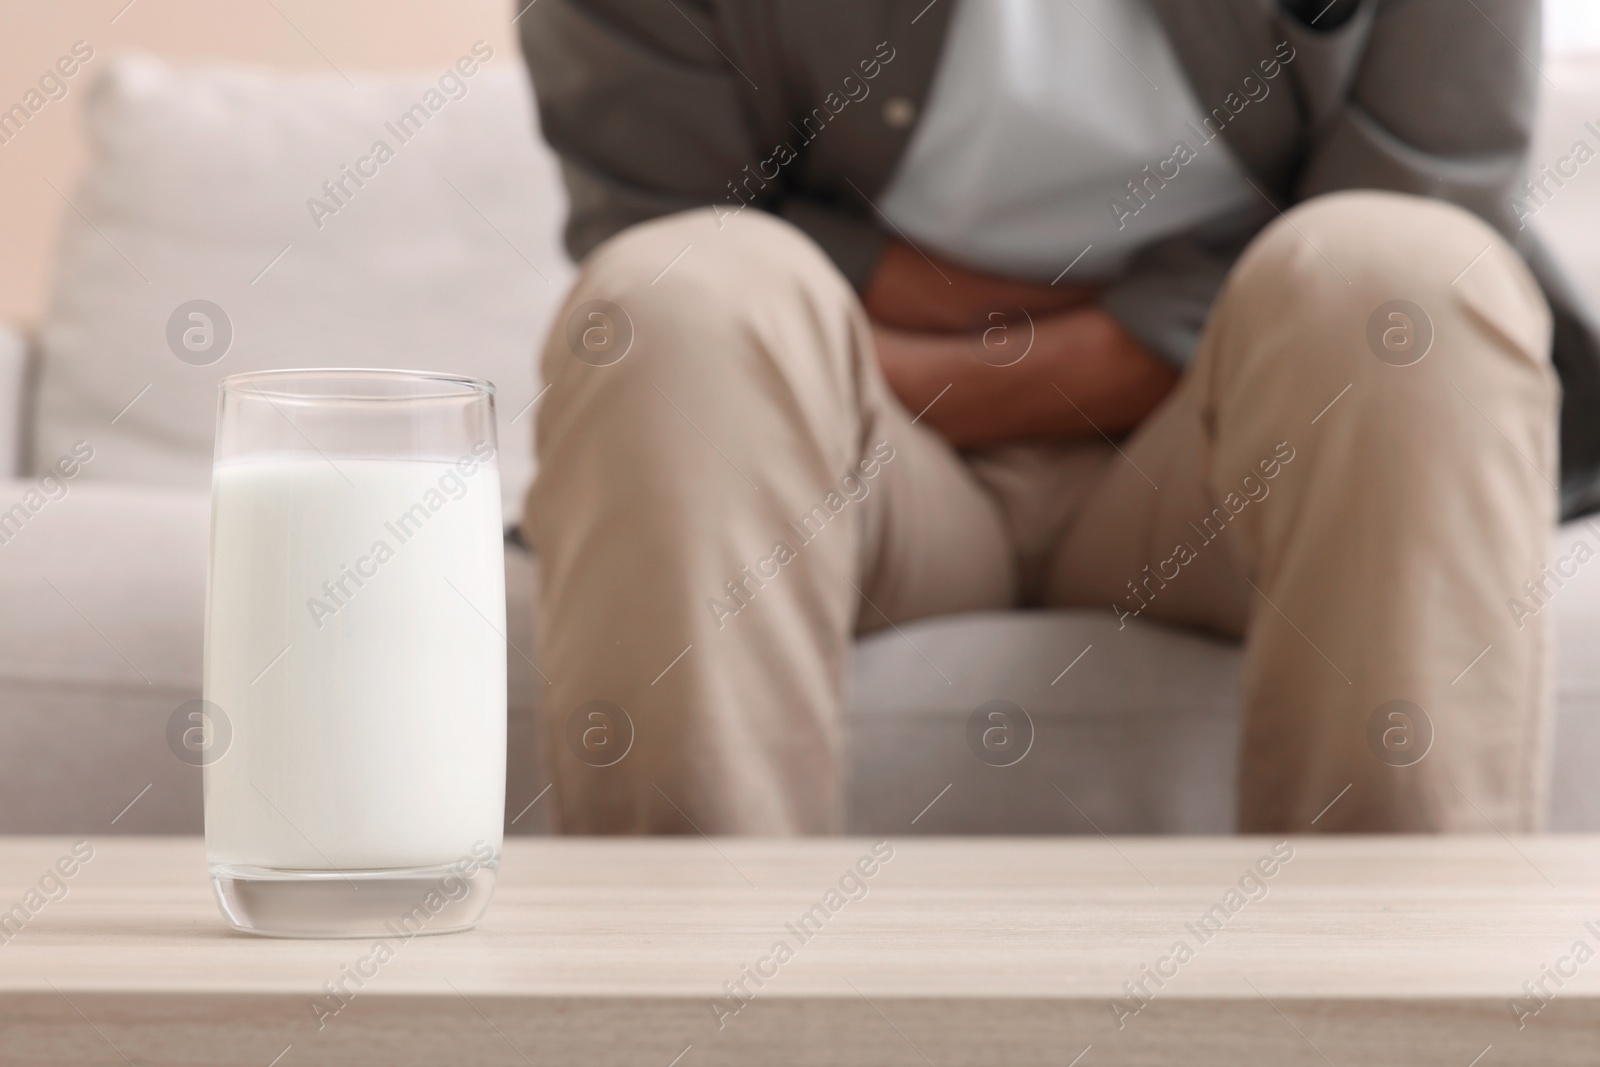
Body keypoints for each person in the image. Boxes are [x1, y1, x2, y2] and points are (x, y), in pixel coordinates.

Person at [517, 0, 1600, 834]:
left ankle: (1393, 1011)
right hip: (865, 465)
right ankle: (692, 1010)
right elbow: (667, 209)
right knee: (673, 299)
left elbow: (1429, 184)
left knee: (1401, 280)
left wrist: (1003, 356)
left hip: (1238, 455)